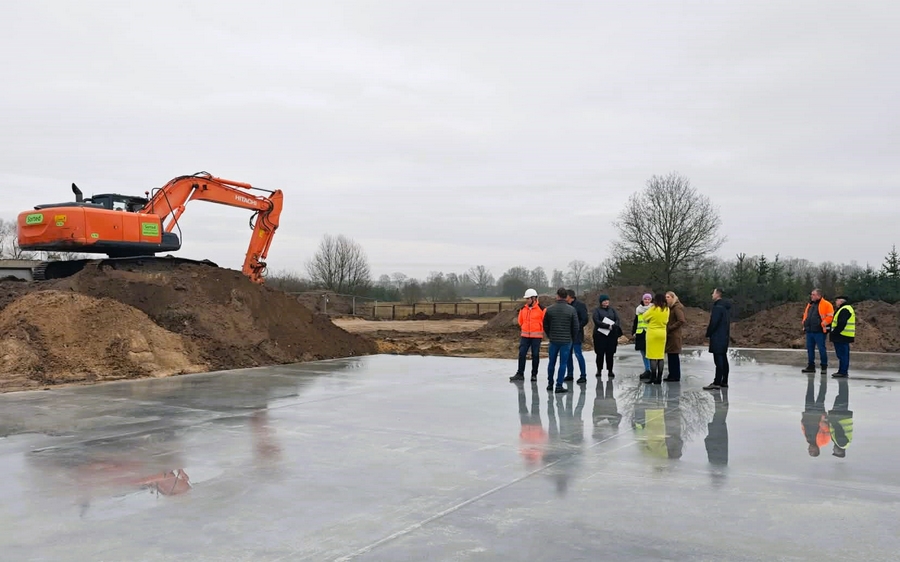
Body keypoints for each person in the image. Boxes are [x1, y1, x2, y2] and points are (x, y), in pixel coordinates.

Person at [542, 288, 580, 394]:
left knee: (551, 363)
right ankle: (559, 385)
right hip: (566, 341)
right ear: (565, 296)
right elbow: (576, 327)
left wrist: (550, 335)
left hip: (553, 340)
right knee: (563, 364)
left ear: (557, 296)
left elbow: (545, 324)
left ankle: (550, 384)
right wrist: (571, 337)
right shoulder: (571, 310)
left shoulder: (549, 309)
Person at [510, 288, 545, 382]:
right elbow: (520, 321)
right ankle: (520, 373)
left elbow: (545, 322)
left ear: (534, 298)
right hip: (525, 336)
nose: (526, 300)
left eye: (528, 298)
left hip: (536, 337)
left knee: (535, 355)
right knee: (522, 354)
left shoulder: (542, 309)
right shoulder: (523, 309)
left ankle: (534, 375)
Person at [703, 287, 732, 390]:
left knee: (718, 359)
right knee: (723, 358)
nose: (712, 295)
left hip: (717, 336)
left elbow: (714, 322)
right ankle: (724, 381)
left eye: (713, 293)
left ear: (718, 294)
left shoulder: (718, 307)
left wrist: (708, 333)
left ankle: (717, 382)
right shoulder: (726, 307)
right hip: (724, 336)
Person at [801, 288, 834, 374]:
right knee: (810, 349)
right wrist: (804, 324)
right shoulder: (810, 304)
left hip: (819, 331)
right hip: (810, 331)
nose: (811, 296)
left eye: (813, 294)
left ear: (819, 295)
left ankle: (824, 366)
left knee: (821, 349)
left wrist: (823, 324)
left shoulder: (827, 304)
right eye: (811, 294)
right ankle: (811, 366)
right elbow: (806, 315)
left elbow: (830, 317)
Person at [591, 294, 622, 380]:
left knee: (610, 354)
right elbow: (596, 320)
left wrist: (614, 326)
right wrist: (606, 326)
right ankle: (599, 370)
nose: (606, 302)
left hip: (611, 335)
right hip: (600, 335)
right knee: (600, 354)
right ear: (601, 302)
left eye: (607, 300)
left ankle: (610, 370)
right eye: (604, 301)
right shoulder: (597, 310)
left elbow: (617, 319)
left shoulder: (612, 310)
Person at [641, 293, 670, 384]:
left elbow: (644, 317)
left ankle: (653, 377)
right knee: (660, 356)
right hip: (662, 333)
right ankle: (659, 378)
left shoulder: (653, 309)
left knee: (652, 357)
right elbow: (667, 320)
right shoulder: (667, 309)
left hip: (652, 333)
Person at [565, 289, 590, 385]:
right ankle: (570, 374)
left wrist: (577, 327)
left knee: (578, 354)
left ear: (570, 296)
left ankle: (583, 375)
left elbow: (585, 319)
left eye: (566, 296)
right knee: (567, 355)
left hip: (577, 335)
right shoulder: (566, 306)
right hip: (567, 335)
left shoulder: (580, 305)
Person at [828, 295, 855, 378]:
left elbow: (841, 323)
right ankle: (842, 371)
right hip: (843, 336)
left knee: (842, 355)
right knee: (843, 355)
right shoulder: (845, 309)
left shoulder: (845, 309)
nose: (836, 302)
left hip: (842, 336)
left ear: (841, 301)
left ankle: (843, 372)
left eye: (837, 300)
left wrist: (834, 332)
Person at [828, 378, 853, 458]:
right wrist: (831, 419)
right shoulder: (841, 443)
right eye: (834, 451)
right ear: (839, 451)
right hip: (840, 416)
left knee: (841, 397)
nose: (833, 449)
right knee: (842, 396)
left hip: (842, 416)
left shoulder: (844, 444)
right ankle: (843, 380)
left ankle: (843, 382)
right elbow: (838, 428)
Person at [664, 291, 686, 382]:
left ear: (673, 298)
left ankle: (675, 375)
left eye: (668, 297)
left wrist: (670, 328)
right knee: (671, 355)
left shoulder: (677, 307)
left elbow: (681, 320)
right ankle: (672, 374)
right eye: (666, 297)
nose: (666, 299)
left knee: (673, 356)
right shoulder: (671, 307)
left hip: (674, 335)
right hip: (671, 335)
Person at [632, 293, 652, 378]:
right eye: (645, 299)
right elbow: (636, 322)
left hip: (650, 333)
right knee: (643, 353)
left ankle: (651, 370)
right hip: (640, 334)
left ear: (651, 300)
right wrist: (633, 332)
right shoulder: (638, 309)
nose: (647, 301)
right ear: (643, 300)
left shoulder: (653, 309)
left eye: (648, 299)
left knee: (650, 353)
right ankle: (647, 369)